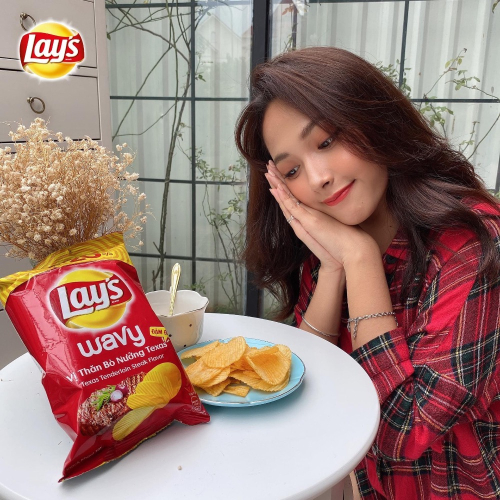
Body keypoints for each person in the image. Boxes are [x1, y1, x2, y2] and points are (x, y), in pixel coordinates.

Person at [234, 46, 500, 499]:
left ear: (375, 120)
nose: (317, 178)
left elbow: (403, 430)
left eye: (326, 142)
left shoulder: (471, 244)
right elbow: (300, 378)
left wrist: (360, 261)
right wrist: (336, 266)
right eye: (292, 170)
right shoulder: (336, 236)